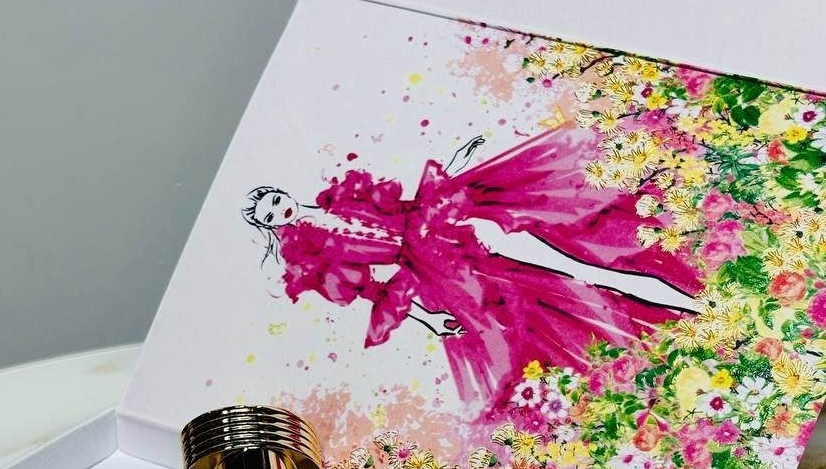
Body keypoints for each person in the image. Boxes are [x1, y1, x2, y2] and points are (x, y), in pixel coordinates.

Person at [242, 124, 701, 415]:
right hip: (441, 275)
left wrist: (456, 165)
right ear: (268, 226)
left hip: (451, 225)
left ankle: (685, 297)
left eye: (277, 200)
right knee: (551, 299)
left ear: (285, 194)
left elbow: (411, 205)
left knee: (574, 256)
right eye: (270, 214)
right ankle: (653, 340)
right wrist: (429, 319)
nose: (281, 210)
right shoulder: (314, 260)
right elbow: (374, 293)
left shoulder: (342, 197)